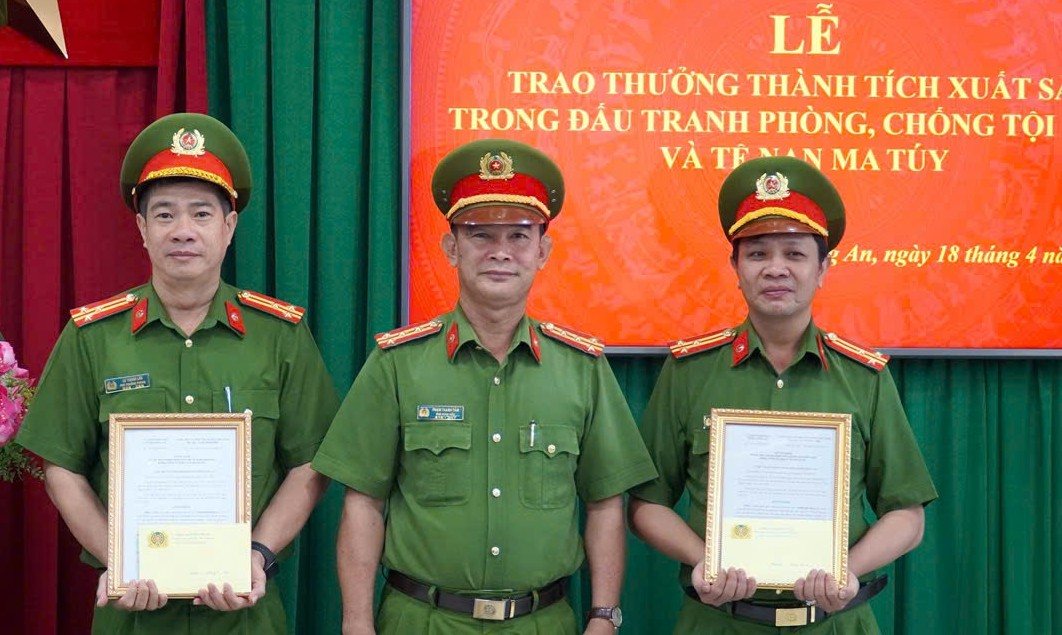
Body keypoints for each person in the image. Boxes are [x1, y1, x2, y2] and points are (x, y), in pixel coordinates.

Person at [313, 138, 657, 634]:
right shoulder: (397, 364)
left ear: (543, 250)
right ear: (452, 247)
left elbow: (605, 504)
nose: (500, 252)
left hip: (542, 624)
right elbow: (363, 502)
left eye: (519, 236)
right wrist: (356, 622)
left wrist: (604, 617)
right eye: (479, 234)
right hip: (421, 622)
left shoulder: (582, 368)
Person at [16, 113, 339, 634]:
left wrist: (257, 554)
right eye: (164, 215)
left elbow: (310, 465)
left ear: (229, 226)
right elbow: (61, 467)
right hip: (133, 617)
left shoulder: (281, 335)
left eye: (202, 214)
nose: (183, 231)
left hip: (246, 614)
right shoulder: (92, 337)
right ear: (142, 228)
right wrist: (117, 560)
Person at [628, 156, 938, 632]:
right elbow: (646, 505)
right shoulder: (688, 373)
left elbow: (907, 513)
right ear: (735, 267)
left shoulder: (864, 378)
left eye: (794, 254)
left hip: (835, 624)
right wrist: (703, 559)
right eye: (757, 254)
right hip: (718, 622)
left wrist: (847, 569)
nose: (776, 269)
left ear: (822, 269)